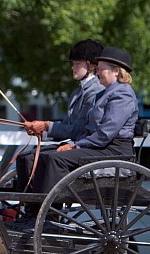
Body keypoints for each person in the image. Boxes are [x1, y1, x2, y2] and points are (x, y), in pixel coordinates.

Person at [29, 46, 138, 195]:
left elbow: (105, 134)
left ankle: (50, 211)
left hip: (113, 150)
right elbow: (89, 128)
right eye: (98, 69)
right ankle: (33, 208)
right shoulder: (105, 93)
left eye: (101, 69)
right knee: (44, 156)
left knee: (56, 160)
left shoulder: (122, 95)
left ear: (117, 71)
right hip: (100, 147)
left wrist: (76, 146)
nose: (98, 73)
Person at [14, 39, 105, 191]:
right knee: (25, 157)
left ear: (90, 65)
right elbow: (67, 124)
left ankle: (43, 210)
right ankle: (26, 205)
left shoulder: (95, 92)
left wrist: (46, 126)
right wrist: (42, 131)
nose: (73, 67)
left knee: (41, 159)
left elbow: (78, 129)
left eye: (77, 63)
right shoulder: (78, 93)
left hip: (85, 147)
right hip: (75, 144)